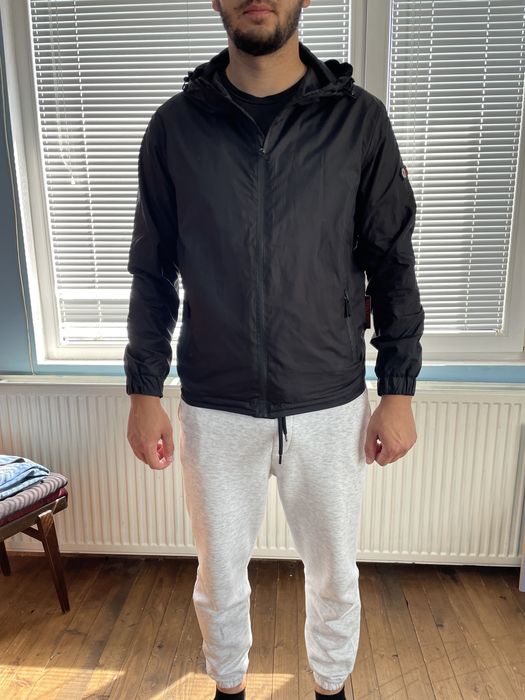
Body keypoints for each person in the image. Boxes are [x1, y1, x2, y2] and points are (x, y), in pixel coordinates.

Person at [124, 1, 425, 698]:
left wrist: (399, 390)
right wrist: (143, 390)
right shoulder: (175, 129)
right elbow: (152, 269)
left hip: (329, 402)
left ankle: (331, 688)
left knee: (334, 576)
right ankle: (227, 687)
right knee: (219, 577)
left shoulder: (359, 123)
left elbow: (392, 261)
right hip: (215, 403)